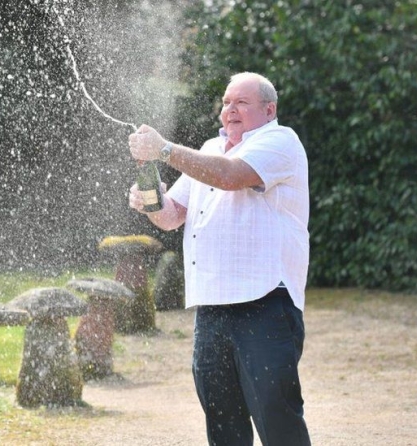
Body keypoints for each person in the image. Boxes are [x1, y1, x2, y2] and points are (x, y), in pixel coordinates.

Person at [128, 72, 311, 446]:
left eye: (242, 102)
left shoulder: (280, 140)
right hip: (210, 309)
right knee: (223, 427)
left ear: (268, 109)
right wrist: (148, 199)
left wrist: (164, 150)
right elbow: (170, 216)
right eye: (226, 102)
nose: (230, 110)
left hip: (265, 304)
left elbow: (230, 176)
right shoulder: (209, 150)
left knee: (279, 425)